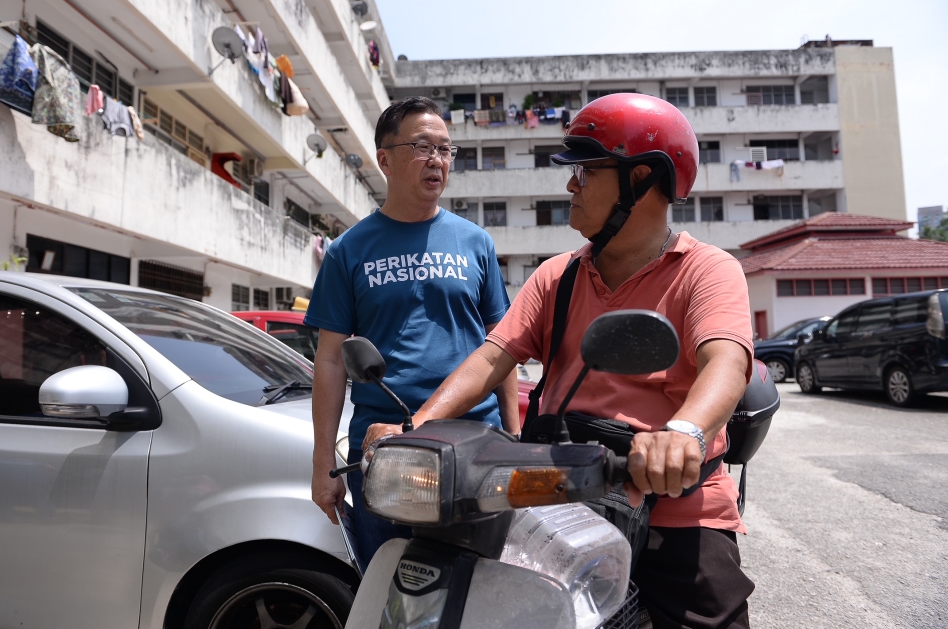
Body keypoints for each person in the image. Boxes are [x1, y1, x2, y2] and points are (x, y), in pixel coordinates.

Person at [363, 93, 755, 628]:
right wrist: (417, 426)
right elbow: (492, 356)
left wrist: (684, 433)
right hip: (564, 498)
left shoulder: (707, 270)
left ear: (639, 178)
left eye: (586, 172)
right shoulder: (557, 276)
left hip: (674, 503)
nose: (570, 185)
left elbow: (726, 364)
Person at [306, 96, 518, 570]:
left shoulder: (475, 242)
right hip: (386, 453)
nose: (437, 161)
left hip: (473, 446)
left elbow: (501, 344)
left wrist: (513, 434)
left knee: (479, 588)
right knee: (396, 591)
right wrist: (324, 463)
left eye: (446, 150)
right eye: (423, 147)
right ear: (385, 159)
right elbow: (332, 360)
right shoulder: (348, 251)